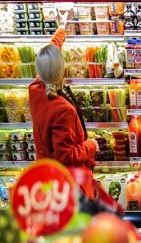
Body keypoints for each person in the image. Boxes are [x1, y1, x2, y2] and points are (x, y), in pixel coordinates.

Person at [29, 17, 99, 197]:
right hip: (69, 185)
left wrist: (60, 30)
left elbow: (49, 57)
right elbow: (66, 156)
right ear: (62, 70)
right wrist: (91, 145)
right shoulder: (63, 110)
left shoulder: (36, 90)